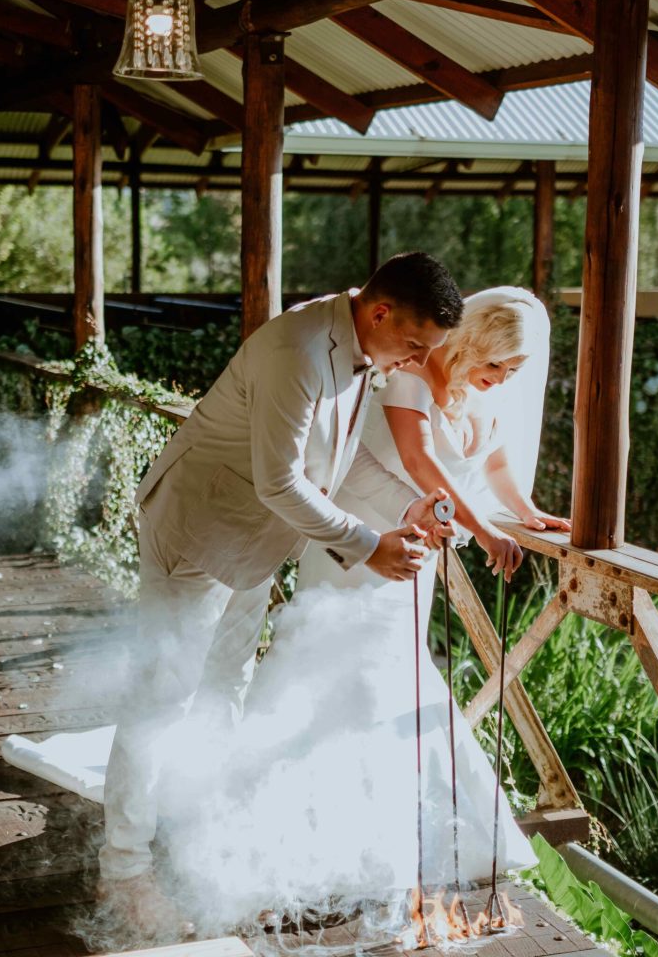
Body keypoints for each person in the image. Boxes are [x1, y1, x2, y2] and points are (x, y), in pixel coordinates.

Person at [156, 287, 570, 934]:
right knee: (335, 673)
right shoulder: (410, 380)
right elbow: (420, 461)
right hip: (365, 538)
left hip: (417, 548)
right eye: (498, 367)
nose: (502, 382)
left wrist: (524, 511)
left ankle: (396, 838)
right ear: (475, 345)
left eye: (513, 374)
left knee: (397, 678)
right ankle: (286, 833)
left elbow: (488, 461)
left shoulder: (477, 395)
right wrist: (485, 533)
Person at [96, 252, 464, 939]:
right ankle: (123, 874)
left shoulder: (360, 348)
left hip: (255, 545)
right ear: (381, 312)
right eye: (415, 347)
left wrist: (411, 504)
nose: (417, 363)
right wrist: (368, 544)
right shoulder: (297, 349)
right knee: (161, 700)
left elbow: (343, 457)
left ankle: (203, 854)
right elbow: (281, 482)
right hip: (198, 530)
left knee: (224, 695)